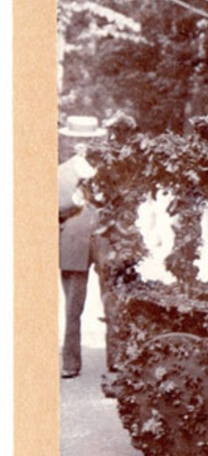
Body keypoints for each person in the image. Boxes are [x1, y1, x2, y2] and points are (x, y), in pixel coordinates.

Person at [58, 115, 107, 379]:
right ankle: (70, 362)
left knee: (111, 303)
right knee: (72, 308)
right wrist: (74, 201)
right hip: (73, 243)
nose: (82, 145)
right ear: (69, 141)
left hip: (103, 241)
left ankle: (117, 364)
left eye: (87, 140)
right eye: (77, 140)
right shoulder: (61, 171)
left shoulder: (107, 169)